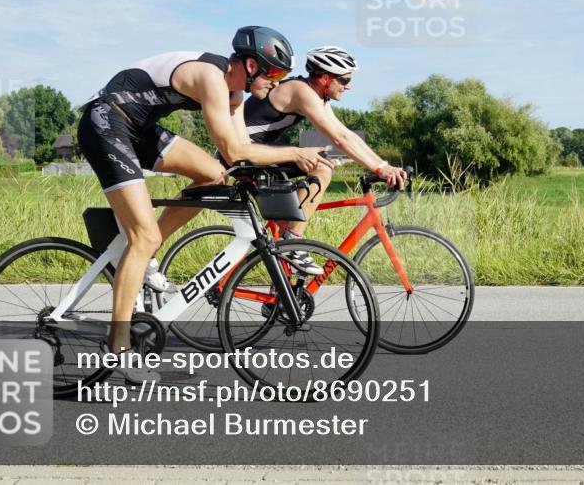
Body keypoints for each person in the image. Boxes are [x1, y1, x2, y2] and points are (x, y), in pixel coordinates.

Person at [76, 26, 333, 382]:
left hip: (140, 127)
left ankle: (144, 251)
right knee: (143, 236)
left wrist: (283, 166)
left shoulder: (234, 97)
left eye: (282, 77)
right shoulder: (213, 78)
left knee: (213, 175)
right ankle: (118, 347)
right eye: (273, 74)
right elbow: (235, 150)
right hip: (106, 122)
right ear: (249, 64)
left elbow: (240, 152)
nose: (276, 84)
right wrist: (295, 151)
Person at [240, 46, 407, 271]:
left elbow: (346, 134)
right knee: (323, 168)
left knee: (320, 159)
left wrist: (383, 165)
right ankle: (293, 242)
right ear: (326, 78)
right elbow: (339, 139)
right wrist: (380, 170)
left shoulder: (317, 96)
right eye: (345, 80)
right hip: (246, 155)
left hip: (261, 153)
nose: (349, 86)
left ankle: (280, 297)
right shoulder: (301, 91)